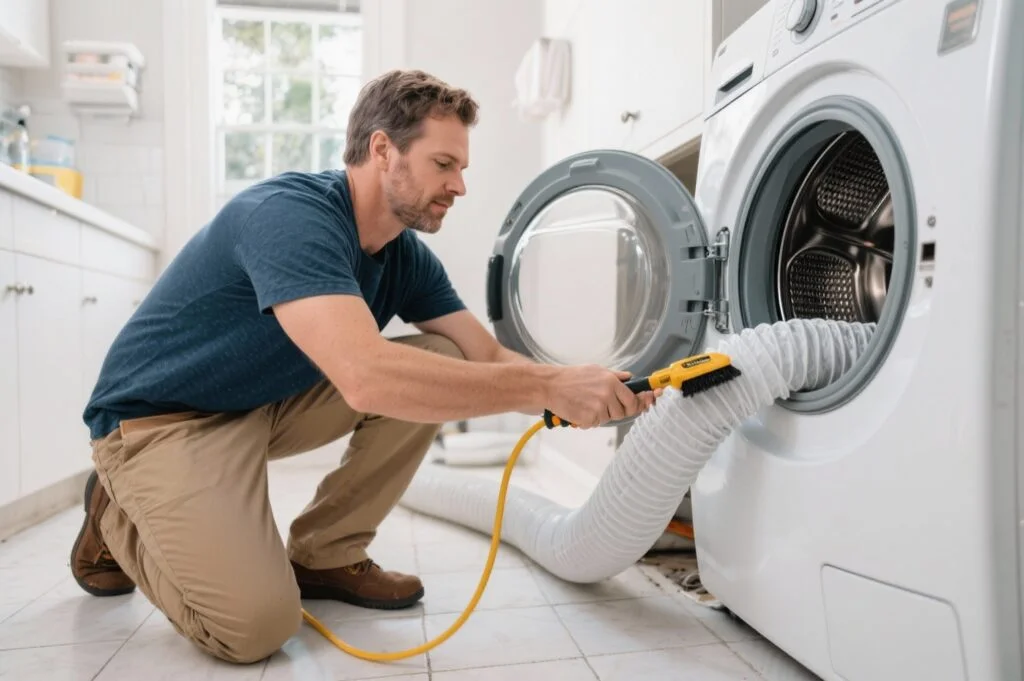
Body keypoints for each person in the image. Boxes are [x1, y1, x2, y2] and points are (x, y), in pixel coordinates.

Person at [69, 69, 657, 664]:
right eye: (443, 164)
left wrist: (589, 388)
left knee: (441, 356)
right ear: (382, 150)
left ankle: (325, 554)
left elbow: (486, 357)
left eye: (461, 168)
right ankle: (117, 510)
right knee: (255, 629)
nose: (459, 186)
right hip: (160, 422)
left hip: (256, 403)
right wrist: (550, 386)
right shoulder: (290, 216)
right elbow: (364, 376)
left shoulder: (406, 257)